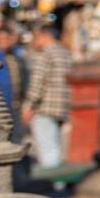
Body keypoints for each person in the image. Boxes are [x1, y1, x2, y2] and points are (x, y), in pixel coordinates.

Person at [23, 24, 73, 171]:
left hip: (45, 107)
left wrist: (28, 105)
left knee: (47, 147)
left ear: (45, 37)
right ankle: (59, 181)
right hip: (62, 106)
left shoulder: (45, 55)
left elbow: (37, 82)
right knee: (56, 145)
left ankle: (53, 183)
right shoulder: (65, 54)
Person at [0, 24, 30, 143]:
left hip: (15, 106)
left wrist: (26, 105)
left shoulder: (17, 58)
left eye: (7, 39)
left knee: (16, 139)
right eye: (1, 39)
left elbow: (25, 80)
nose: (4, 42)